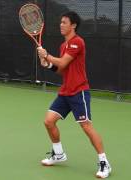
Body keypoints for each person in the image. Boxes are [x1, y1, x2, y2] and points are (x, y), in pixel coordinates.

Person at [37, 11, 112, 179]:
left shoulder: (78, 42)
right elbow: (62, 69)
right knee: (48, 121)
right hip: (65, 91)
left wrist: (47, 55)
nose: (61, 25)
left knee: (86, 126)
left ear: (73, 25)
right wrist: (48, 64)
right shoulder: (63, 46)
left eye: (64, 22)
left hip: (79, 92)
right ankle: (58, 154)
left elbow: (63, 61)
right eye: (60, 22)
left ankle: (104, 163)